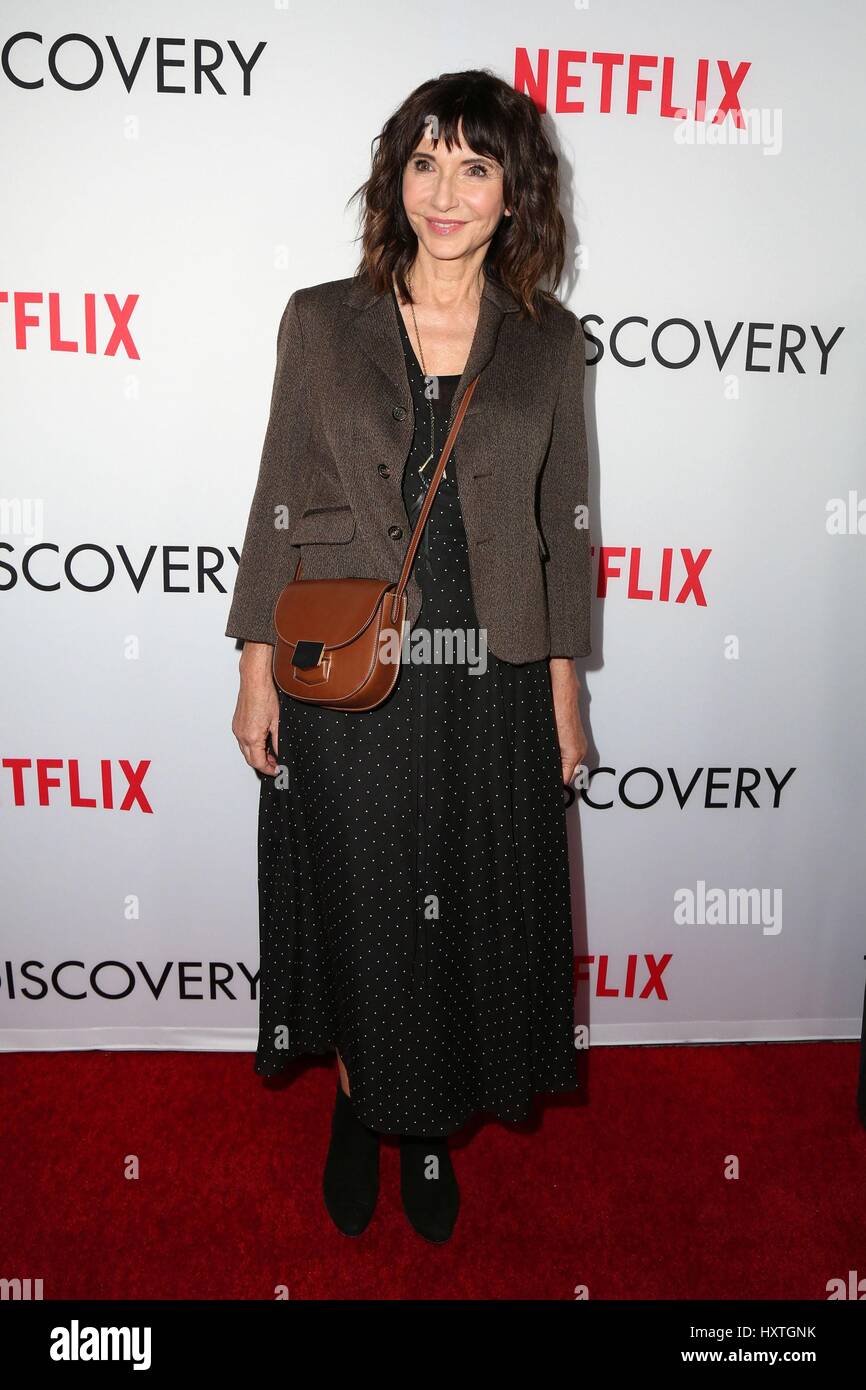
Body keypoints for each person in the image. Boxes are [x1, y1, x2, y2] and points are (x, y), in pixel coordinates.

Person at [225, 68, 591, 1244]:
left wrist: (564, 698)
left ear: (511, 193)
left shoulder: (547, 345)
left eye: (474, 166)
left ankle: (423, 1127)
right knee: (361, 899)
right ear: (396, 176)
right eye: (424, 161)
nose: (446, 191)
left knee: (459, 902)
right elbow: (278, 498)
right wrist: (251, 667)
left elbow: (559, 534)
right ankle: (354, 1106)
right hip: (348, 670)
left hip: (486, 675)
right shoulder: (318, 319)